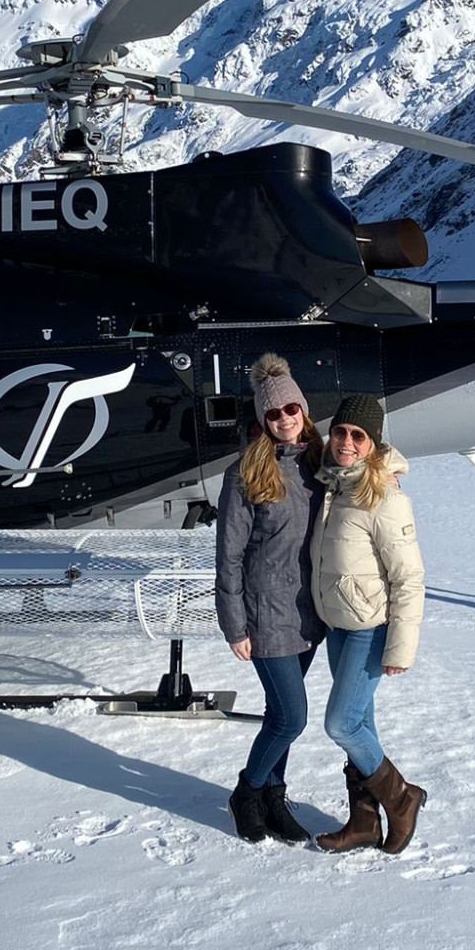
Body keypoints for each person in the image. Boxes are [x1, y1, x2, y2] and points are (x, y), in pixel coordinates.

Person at [215, 353, 327, 844]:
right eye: (274, 413)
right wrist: (234, 625)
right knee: (292, 718)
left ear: (303, 410)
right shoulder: (244, 474)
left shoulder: (319, 465)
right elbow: (229, 556)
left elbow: (365, 469)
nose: (284, 419)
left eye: (291, 409)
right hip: (264, 616)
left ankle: (272, 798)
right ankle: (247, 792)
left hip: (308, 615)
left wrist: (385, 477)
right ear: (263, 420)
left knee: (279, 714)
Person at [311, 392, 428, 855]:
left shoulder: (386, 497)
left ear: (373, 444)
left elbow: (409, 578)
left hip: (369, 628)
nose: (346, 442)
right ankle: (363, 822)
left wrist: (400, 647)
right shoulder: (333, 484)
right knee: (361, 725)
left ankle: (402, 799)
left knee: (341, 724)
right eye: (340, 432)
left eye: (358, 436)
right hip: (337, 625)